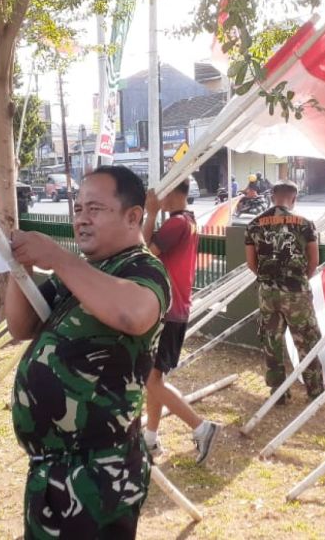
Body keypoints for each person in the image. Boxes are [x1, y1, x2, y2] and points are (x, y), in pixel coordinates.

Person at [6, 165, 170, 539]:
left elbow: (133, 313)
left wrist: (60, 259)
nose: (81, 219)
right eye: (78, 209)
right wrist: (23, 267)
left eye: (94, 209)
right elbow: (20, 325)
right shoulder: (83, 274)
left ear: (133, 217)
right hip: (51, 467)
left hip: (100, 472)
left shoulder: (143, 269)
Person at [142, 182, 219, 464]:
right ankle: (150, 437)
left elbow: (142, 254)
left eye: (161, 192)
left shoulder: (176, 224)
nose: (157, 197)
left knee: (150, 379)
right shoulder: (188, 221)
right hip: (175, 307)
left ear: (174, 192)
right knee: (154, 378)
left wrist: (149, 215)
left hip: (168, 309)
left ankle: (201, 427)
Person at [244, 180, 323, 403]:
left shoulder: (255, 224)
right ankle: (314, 391)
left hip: (268, 293)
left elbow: (251, 263)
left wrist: (268, 279)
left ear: (272, 197)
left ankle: (278, 393)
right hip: (296, 292)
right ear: (294, 198)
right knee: (306, 341)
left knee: (272, 341)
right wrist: (300, 280)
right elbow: (314, 260)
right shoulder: (305, 224)